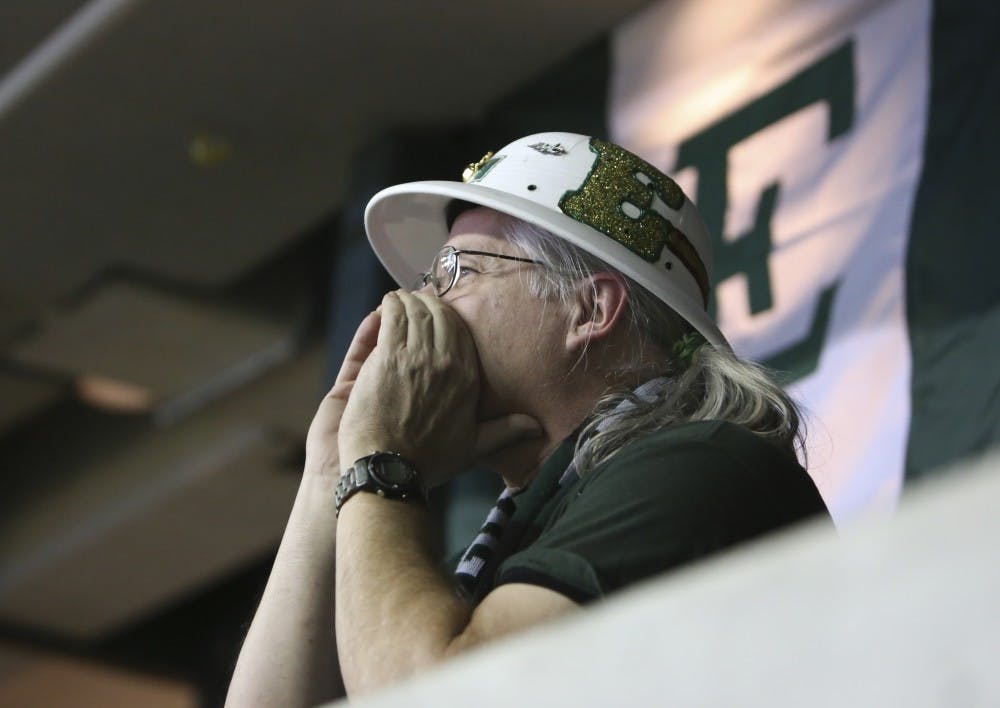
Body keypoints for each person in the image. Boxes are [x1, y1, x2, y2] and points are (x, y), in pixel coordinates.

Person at [225, 132, 829, 706]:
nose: (414, 308)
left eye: (457, 273)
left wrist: (380, 463)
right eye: (425, 280)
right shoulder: (534, 523)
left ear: (590, 308)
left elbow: (447, 698)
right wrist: (331, 467)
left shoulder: (698, 465)